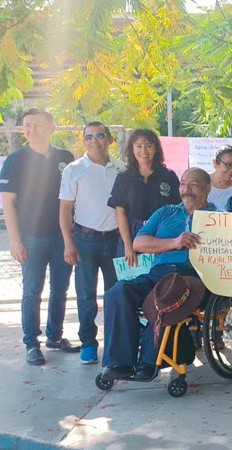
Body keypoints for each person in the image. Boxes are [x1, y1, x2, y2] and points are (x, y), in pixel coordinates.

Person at [100, 168, 216, 382]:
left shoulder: (219, 218)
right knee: (117, 292)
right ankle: (119, 362)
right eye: (183, 184)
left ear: (207, 188)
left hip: (195, 277)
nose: (186, 189)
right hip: (158, 273)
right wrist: (174, 242)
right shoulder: (166, 212)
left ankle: (148, 362)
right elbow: (138, 243)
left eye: (194, 185)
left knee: (165, 297)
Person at [0, 107, 78, 365]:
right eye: (27, 126)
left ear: (51, 127)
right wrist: (15, 241)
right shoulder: (15, 160)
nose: (31, 130)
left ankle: (54, 336)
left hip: (62, 237)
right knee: (32, 291)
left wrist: (72, 237)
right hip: (31, 238)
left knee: (61, 289)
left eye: (37, 125)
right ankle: (31, 343)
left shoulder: (66, 158)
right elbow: (8, 203)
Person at [58, 121, 125, 365]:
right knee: (86, 295)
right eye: (88, 137)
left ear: (109, 139)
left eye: (99, 135)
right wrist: (68, 243)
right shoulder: (74, 170)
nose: (93, 140)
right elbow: (65, 209)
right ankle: (88, 343)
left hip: (116, 239)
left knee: (116, 294)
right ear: (83, 141)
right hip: (85, 240)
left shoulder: (121, 168)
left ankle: (116, 344)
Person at [108, 129, 180, 267]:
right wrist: (128, 246)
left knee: (159, 281)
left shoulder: (168, 176)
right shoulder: (124, 178)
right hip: (132, 234)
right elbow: (120, 214)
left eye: (148, 146)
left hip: (161, 234)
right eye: (138, 146)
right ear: (132, 149)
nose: (144, 151)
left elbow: (176, 211)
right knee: (131, 284)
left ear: (156, 149)